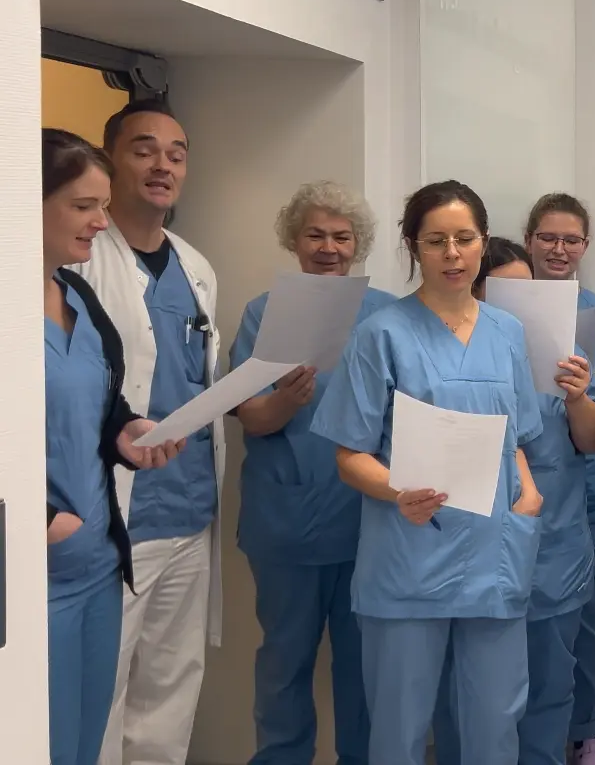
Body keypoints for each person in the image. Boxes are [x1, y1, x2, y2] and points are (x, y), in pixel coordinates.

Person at [309, 181, 547, 764]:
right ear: (413, 246)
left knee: (496, 721)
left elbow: (517, 436)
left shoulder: (507, 332)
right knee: (400, 727)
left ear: (483, 241)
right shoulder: (381, 334)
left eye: (465, 238)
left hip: (494, 551)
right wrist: (397, 491)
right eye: (436, 240)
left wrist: (529, 495)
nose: (452, 254)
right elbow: (349, 454)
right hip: (409, 552)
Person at [76, 100, 224, 765]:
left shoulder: (195, 267)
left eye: (176, 153)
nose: (162, 164)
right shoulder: (80, 261)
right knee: (100, 693)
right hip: (115, 517)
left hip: (188, 512)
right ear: (110, 160)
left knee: (170, 692)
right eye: (143, 149)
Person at [437, 231, 595, 765]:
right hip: (465, 551)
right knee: (469, 697)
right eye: (505, 296)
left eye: (529, 293)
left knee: (548, 687)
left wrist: (579, 397)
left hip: (551, 550)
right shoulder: (446, 358)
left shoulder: (566, 358)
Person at [229, 181, 395, 765]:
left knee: (364, 668)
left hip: (366, 522)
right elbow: (252, 419)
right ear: (294, 242)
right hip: (287, 524)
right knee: (285, 662)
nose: (328, 248)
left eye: (341, 237)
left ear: (358, 244)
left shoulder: (387, 315)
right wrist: (286, 400)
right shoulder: (264, 314)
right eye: (315, 235)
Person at [42, 129, 185, 765]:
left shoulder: (78, 295)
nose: (101, 223)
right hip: (35, 574)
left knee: (85, 745)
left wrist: (123, 432)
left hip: (98, 565)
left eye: (102, 206)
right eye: (82, 206)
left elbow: (99, 401)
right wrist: (44, 520)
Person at [523, 193, 595, 765]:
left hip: (587, 491)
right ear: (529, 240)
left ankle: (586, 733)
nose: (559, 249)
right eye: (548, 237)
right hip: (522, 490)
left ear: (585, 245)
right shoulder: (494, 309)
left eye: (571, 239)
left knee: (586, 621)